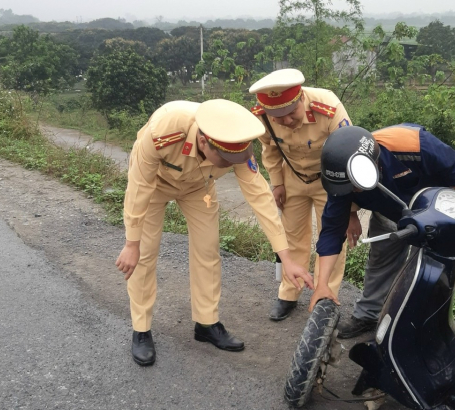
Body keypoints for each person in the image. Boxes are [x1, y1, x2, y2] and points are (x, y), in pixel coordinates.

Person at [115, 99, 313, 366]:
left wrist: (285, 258)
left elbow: (260, 198)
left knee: (208, 251)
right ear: (204, 142)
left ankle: (206, 324)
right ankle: (141, 329)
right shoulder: (164, 130)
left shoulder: (236, 141)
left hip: (199, 189)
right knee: (144, 255)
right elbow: (138, 188)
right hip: (154, 186)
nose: (230, 166)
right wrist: (131, 243)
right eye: (226, 161)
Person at [309, 124, 455, 338]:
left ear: (375, 165)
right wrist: (322, 284)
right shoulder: (341, 178)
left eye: (354, 186)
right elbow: (331, 232)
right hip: (389, 214)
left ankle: (422, 327)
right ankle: (367, 316)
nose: (352, 192)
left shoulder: (411, 144)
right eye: (345, 187)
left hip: (433, 215)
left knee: (430, 273)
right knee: (380, 263)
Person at [249, 68, 354, 321]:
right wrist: (277, 184)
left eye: (290, 114)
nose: (285, 122)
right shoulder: (263, 118)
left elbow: (350, 154)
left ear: (300, 98)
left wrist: (351, 210)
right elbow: (269, 150)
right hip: (292, 177)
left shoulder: (327, 106)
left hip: (330, 181)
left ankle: (325, 295)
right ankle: (288, 293)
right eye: (278, 118)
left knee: (331, 237)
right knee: (292, 235)